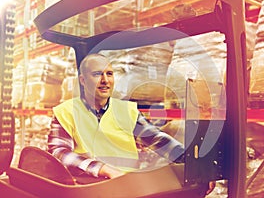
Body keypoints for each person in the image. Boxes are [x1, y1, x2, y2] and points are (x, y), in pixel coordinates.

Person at [48, 53, 215, 194]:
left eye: (109, 74)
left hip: (126, 188)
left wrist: (198, 166)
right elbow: (59, 153)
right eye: (98, 74)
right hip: (86, 188)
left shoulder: (126, 111)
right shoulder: (66, 112)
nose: (105, 80)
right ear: (83, 80)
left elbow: (158, 140)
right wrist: (104, 169)